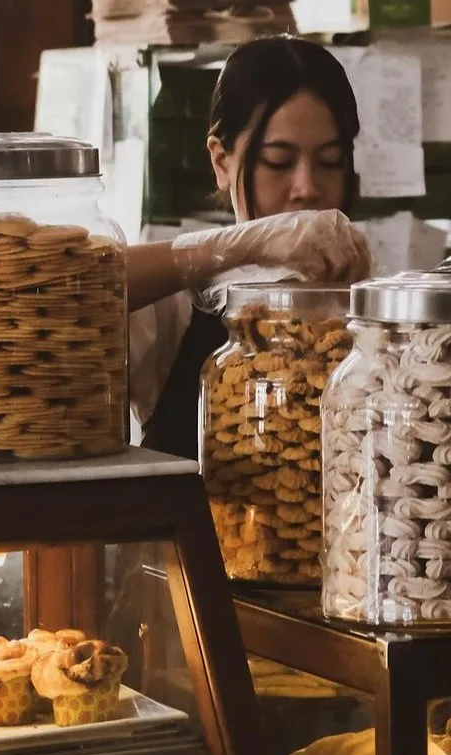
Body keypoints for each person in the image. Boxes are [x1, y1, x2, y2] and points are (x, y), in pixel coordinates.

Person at [127, 36, 372, 460]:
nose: (307, 188)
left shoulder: (376, 305)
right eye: (277, 161)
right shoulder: (180, 309)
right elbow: (55, 289)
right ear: (222, 162)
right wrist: (238, 247)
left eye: (331, 161)